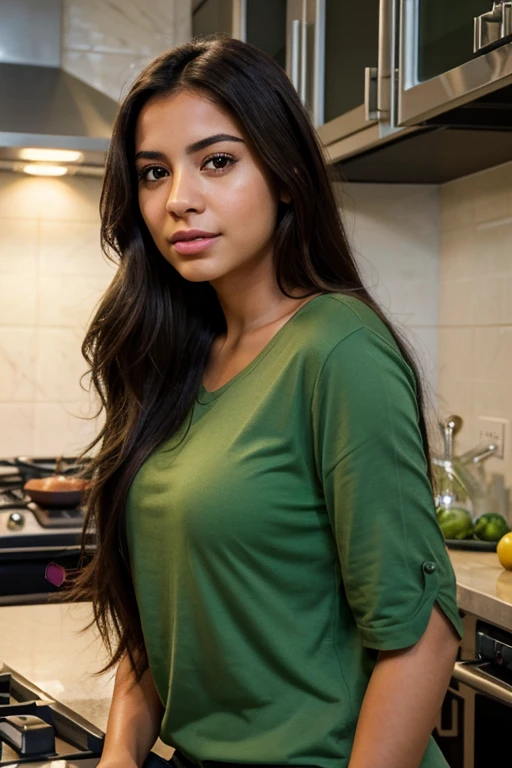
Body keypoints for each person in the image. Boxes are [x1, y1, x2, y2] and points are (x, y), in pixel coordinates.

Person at [70, 33, 463, 768]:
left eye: (217, 161)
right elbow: (159, 621)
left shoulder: (338, 350)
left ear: (284, 174)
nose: (179, 200)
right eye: (154, 172)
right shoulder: (170, 357)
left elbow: (424, 635)